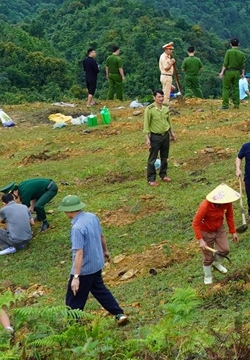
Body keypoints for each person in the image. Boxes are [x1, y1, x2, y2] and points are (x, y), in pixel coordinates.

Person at [60, 195, 127, 323]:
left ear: (69, 211)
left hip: (84, 269)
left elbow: (79, 253)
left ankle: (73, 327)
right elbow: (101, 236)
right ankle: (119, 314)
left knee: (74, 300)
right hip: (97, 263)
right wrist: (105, 251)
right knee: (100, 290)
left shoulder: (77, 228)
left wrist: (76, 277)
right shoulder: (92, 217)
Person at [194, 184, 239, 285]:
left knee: (225, 249)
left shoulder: (227, 203)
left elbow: (229, 215)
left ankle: (216, 263)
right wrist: (200, 240)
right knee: (208, 258)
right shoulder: (205, 206)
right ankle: (208, 276)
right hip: (205, 232)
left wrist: (233, 231)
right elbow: (195, 223)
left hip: (219, 229)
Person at [142, 89, 175, 185]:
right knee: (153, 158)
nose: (161, 99)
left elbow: (168, 121)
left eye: (162, 96)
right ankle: (151, 179)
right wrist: (147, 138)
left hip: (165, 136)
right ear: (154, 98)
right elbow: (146, 124)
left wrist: (172, 133)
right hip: (155, 137)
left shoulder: (165, 108)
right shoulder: (150, 109)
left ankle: (163, 174)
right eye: (159, 97)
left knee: (164, 157)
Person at [0, 191, 33, 255]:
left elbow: (1, 221)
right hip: (28, 238)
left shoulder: (4, 210)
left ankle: (8, 248)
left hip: (16, 240)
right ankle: (21, 245)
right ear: (14, 198)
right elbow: (32, 223)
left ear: (3, 203)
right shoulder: (24, 207)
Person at [220, 38, 247, 109]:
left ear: (230, 44)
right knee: (236, 88)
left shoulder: (228, 52)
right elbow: (243, 65)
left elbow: (225, 63)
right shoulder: (241, 53)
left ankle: (225, 105)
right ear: (238, 44)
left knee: (226, 88)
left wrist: (222, 72)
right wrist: (243, 73)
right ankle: (236, 105)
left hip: (228, 72)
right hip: (236, 72)